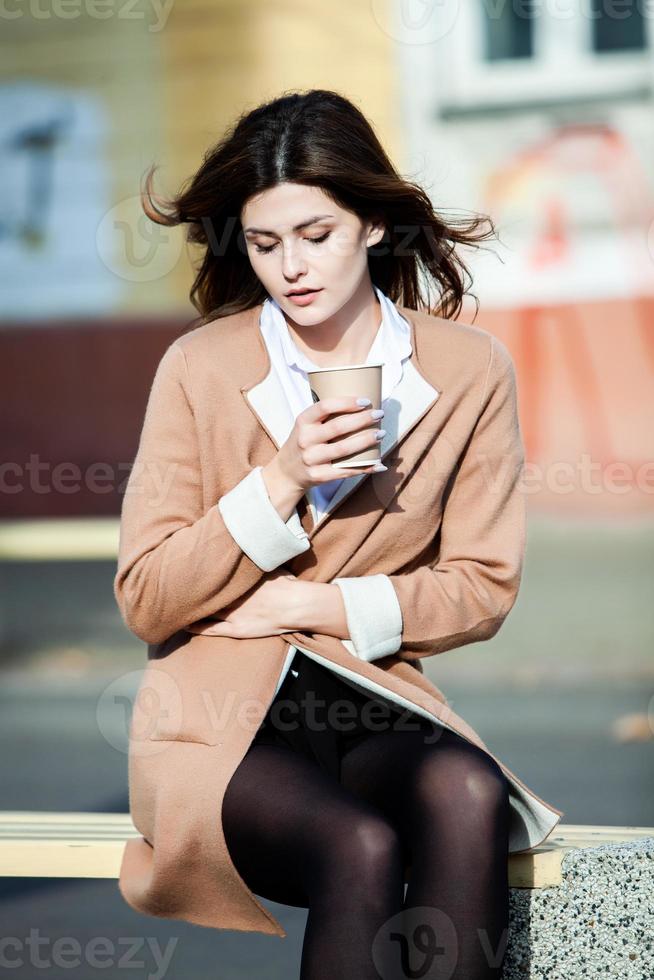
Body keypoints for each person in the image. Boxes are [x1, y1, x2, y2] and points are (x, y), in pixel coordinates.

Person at [117, 88, 562, 980]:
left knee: (467, 788)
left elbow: (482, 584)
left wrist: (312, 604)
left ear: (369, 224)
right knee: (357, 845)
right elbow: (147, 594)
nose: (291, 267)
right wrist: (280, 479)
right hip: (219, 718)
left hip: (371, 695)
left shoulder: (469, 371)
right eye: (264, 242)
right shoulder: (199, 368)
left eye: (315, 235)